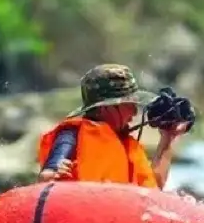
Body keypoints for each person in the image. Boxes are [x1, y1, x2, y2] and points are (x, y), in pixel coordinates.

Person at [36, 64, 191, 188]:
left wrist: (168, 137)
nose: (134, 111)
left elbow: (153, 191)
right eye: (128, 104)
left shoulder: (128, 146)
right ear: (106, 107)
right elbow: (55, 162)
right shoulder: (71, 134)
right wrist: (51, 170)